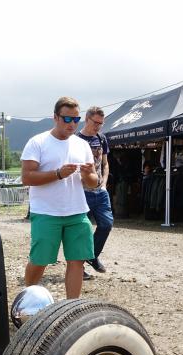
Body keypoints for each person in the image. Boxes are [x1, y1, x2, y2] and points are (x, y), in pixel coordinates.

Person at [21, 96, 98, 299]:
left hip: (77, 211)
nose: (72, 124)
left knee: (78, 260)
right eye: (67, 119)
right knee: (40, 260)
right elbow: (27, 177)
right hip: (47, 212)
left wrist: (87, 174)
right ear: (55, 117)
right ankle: (27, 300)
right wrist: (58, 174)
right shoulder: (37, 142)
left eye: (76, 119)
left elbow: (93, 183)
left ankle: (72, 306)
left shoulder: (82, 145)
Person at [77, 106, 112, 278]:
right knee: (82, 230)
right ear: (86, 119)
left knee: (106, 224)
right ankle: (79, 268)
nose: (98, 126)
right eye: (95, 122)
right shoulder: (75, 139)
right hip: (81, 192)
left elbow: (105, 163)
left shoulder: (102, 138)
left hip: (100, 190)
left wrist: (104, 183)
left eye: (101, 123)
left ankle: (93, 256)